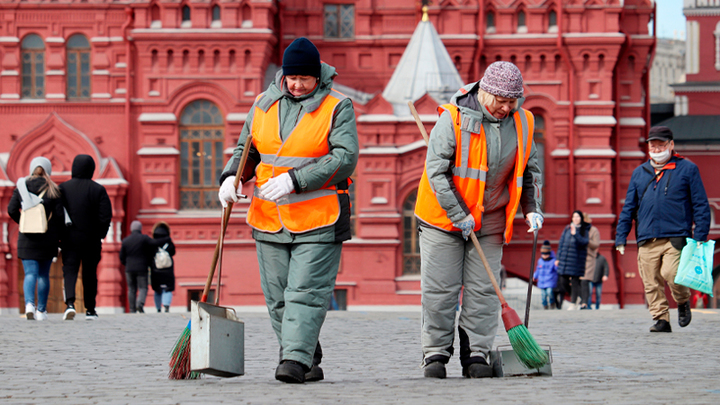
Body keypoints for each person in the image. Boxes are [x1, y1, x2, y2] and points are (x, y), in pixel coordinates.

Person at [218, 37, 358, 384]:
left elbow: (344, 157)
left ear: (318, 78)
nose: (296, 85)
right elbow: (246, 149)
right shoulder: (263, 104)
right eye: (291, 78)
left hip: (319, 216)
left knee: (305, 292)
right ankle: (306, 355)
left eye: (304, 80)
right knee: (278, 296)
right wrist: (231, 178)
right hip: (269, 217)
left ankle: (293, 361)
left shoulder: (338, 106)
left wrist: (295, 181)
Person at [414, 61, 543, 379]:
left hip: (491, 220)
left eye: (512, 101)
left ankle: (476, 355)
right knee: (440, 290)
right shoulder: (453, 119)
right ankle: (436, 354)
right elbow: (436, 173)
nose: (506, 107)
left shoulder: (523, 122)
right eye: (500, 100)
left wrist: (532, 208)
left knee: (484, 290)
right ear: (484, 91)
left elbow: (528, 171)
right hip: (442, 220)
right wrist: (460, 215)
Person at [615, 126, 710, 332]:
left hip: (676, 235)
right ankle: (661, 319)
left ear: (671, 145)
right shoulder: (640, 173)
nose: (657, 149)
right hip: (647, 236)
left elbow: (700, 204)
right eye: (653, 145)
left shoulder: (687, 168)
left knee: (672, 273)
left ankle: (683, 301)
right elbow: (629, 207)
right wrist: (621, 236)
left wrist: (701, 234)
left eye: (661, 145)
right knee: (651, 281)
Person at [8, 157, 64, 321]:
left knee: (30, 273)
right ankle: (41, 311)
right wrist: (52, 231)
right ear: (48, 170)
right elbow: (60, 215)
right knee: (43, 275)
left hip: (27, 238)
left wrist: (24, 223)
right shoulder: (53, 189)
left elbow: (11, 209)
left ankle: (29, 305)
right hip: (47, 238)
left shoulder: (21, 187)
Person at [59, 154, 112, 320]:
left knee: (69, 271)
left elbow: (58, 214)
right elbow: (105, 216)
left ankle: (69, 304)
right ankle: (90, 309)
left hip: (69, 239)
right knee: (90, 273)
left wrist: (61, 236)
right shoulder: (98, 189)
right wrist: (100, 235)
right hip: (91, 240)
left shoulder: (63, 188)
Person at [119, 220, 159, 313]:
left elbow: (121, 256)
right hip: (142, 267)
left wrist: (126, 263)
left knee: (131, 289)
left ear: (131, 229)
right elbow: (154, 244)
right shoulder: (144, 238)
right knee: (143, 287)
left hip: (129, 269)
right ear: (140, 229)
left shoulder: (125, 240)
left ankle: (132, 309)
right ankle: (139, 304)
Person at [555, 210, 590, 311]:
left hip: (577, 260)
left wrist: (575, 234)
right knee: (563, 281)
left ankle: (573, 303)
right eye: (574, 217)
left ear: (581, 219)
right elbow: (561, 244)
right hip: (565, 260)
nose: (575, 219)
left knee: (575, 282)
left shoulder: (584, 229)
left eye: (578, 217)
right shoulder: (567, 228)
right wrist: (558, 258)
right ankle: (576, 297)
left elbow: (584, 242)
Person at [150, 221, 175, 313]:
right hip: (168, 269)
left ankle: (158, 308)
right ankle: (166, 305)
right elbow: (173, 252)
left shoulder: (152, 243)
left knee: (157, 289)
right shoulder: (169, 242)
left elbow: (150, 255)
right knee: (167, 288)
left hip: (156, 269)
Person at [579, 214, 600, 309]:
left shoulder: (593, 230)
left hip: (588, 259)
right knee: (576, 281)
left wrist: (586, 241)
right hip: (577, 258)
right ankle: (582, 301)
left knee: (585, 281)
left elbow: (596, 244)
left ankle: (585, 303)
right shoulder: (576, 229)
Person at [534, 240, 558, 309]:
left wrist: (557, 265)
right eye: (543, 254)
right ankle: (545, 305)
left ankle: (552, 303)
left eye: (546, 254)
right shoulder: (540, 261)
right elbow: (538, 270)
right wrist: (534, 276)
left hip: (550, 280)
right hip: (542, 281)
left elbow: (557, 270)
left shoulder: (553, 261)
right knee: (543, 295)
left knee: (549, 292)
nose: (544, 256)